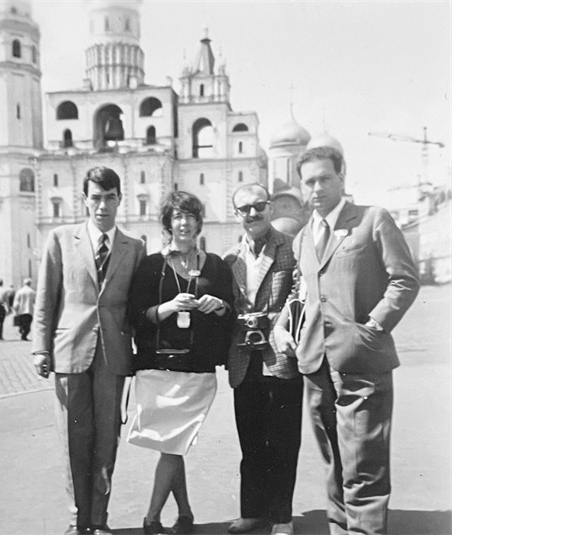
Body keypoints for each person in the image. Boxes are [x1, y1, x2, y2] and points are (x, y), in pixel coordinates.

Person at [274, 146, 420, 535]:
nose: (317, 188)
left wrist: (373, 326)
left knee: (364, 467)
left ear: (342, 178)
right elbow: (302, 292)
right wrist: (283, 325)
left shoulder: (372, 220)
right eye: (309, 182)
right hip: (315, 364)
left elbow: (404, 279)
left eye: (325, 178)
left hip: (362, 363)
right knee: (334, 465)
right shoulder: (304, 237)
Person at [31, 166, 146, 535]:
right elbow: (46, 297)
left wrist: (142, 357)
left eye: (109, 198)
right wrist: (40, 348)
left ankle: (99, 520)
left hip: (113, 356)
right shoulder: (61, 238)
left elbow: (135, 306)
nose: (102, 206)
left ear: (119, 200)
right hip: (69, 352)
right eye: (95, 197)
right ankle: (76, 519)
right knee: (72, 439)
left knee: (105, 441)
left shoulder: (135, 247)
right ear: (85, 200)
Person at [127, 191, 234, 535]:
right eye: (177, 217)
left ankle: (152, 519)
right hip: (157, 368)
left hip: (197, 370)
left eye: (190, 216)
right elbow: (136, 315)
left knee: (174, 443)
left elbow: (230, 313)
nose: (184, 223)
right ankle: (182, 512)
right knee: (173, 445)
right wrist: (169, 307)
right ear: (167, 224)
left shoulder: (215, 264)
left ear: (199, 223)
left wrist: (217, 304)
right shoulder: (152, 265)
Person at [223, 184, 302, 535]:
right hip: (243, 358)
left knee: (283, 441)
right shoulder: (229, 259)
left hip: (279, 354)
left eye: (258, 206)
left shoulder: (290, 248)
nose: (252, 214)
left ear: (269, 208)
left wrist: (281, 322)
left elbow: (300, 291)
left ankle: (281, 517)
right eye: (245, 209)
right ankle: (253, 511)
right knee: (250, 441)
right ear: (236, 213)